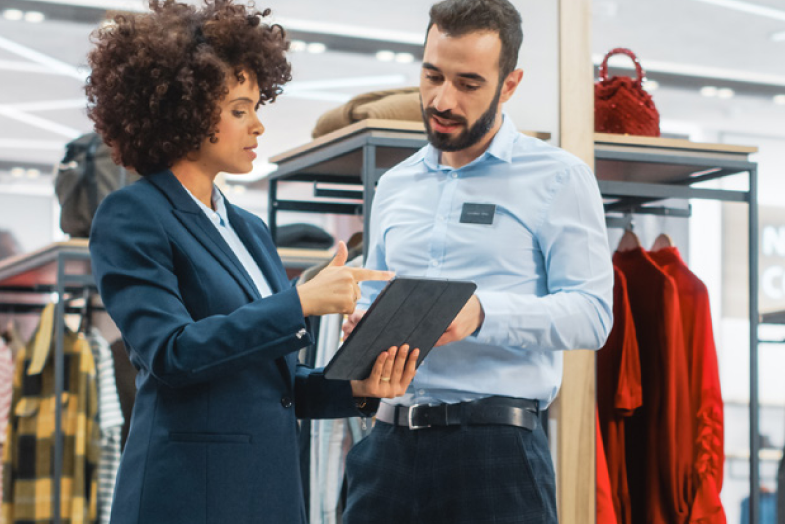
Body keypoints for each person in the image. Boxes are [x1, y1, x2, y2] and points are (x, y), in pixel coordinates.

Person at [84, 1, 419, 523]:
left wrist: (355, 387)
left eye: (257, 107)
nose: (258, 126)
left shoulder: (250, 229)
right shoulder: (132, 214)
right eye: (240, 109)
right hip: (189, 495)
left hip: (271, 492)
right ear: (186, 111)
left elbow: (270, 383)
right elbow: (171, 354)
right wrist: (297, 304)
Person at [341, 0, 614, 522]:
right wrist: (362, 324)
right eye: (432, 76)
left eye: (468, 84)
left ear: (509, 84)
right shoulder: (395, 185)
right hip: (386, 450)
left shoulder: (558, 177)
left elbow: (592, 314)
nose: (443, 99)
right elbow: (376, 295)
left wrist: (482, 313)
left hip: (496, 453)